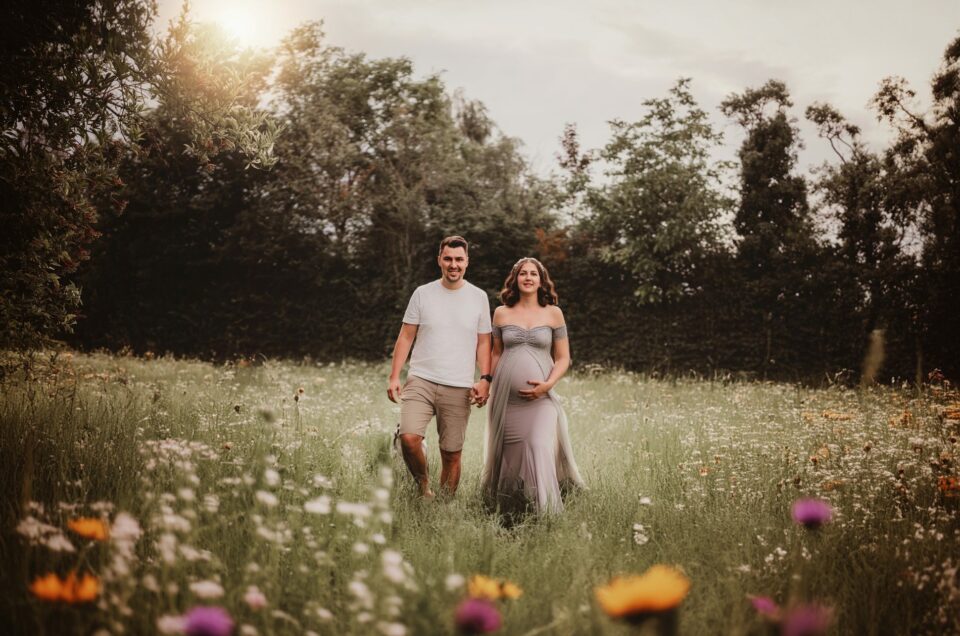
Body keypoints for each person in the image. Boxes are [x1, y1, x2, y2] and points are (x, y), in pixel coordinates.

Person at [387, 236, 493, 499]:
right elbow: (406, 336)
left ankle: (444, 507)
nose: (453, 264)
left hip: (458, 385)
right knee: (409, 439)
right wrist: (394, 376)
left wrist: (485, 379)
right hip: (421, 379)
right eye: (448, 258)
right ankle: (423, 487)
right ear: (439, 261)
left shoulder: (478, 297)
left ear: (467, 262)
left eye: (459, 259)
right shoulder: (423, 293)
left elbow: (483, 343)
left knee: (451, 452)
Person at [481, 257, 584, 517]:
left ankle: (548, 513)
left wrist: (548, 384)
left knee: (538, 444)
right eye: (523, 273)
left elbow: (563, 357)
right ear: (515, 279)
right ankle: (510, 506)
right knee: (510, 453)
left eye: (533, 274)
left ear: (541, 280)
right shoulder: (501, 312)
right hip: (506, 398)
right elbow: (496, 353)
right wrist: (486, 382)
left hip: (542, 398)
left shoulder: (553, 313)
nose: (528, 277)